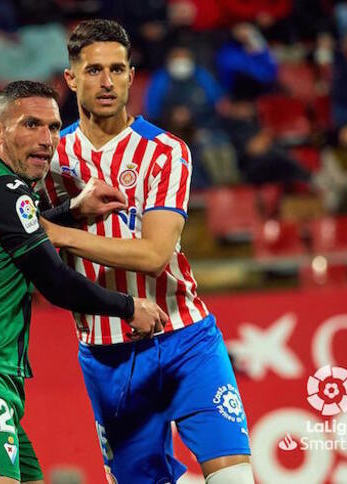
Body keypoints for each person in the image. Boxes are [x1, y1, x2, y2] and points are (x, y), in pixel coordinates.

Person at [38, 20, 254, 483]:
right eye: (94, 70)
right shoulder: (50, 159)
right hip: (106, 354)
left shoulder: (166, 151)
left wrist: (57, 232)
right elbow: (1, 216)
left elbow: (156, 253)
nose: (107, 81)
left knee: (234, 478)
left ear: (132, 76)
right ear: (71, 79)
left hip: (185, 338)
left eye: (117, 69)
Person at [0, 80, 165, 484]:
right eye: (30, 124)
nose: (46, 139)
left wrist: (73, 209)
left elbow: (20, 232)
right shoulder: (4, 190)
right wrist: (128, 307)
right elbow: (54, 281)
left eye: (52, 128)